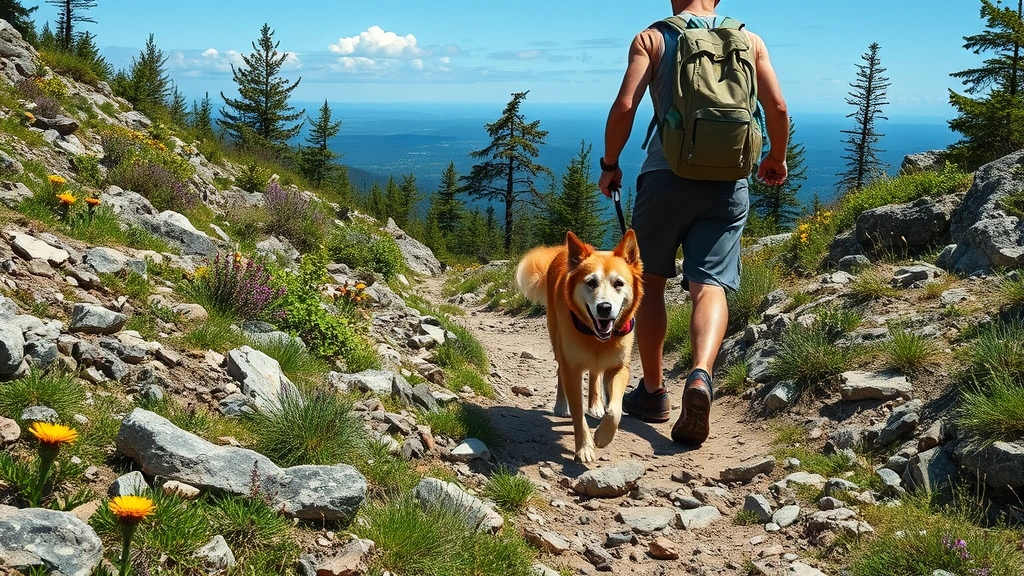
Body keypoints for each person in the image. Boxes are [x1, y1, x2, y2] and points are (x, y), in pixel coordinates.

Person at [597, 0, 790, 445]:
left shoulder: (652, 38)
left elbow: (625, 106)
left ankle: (652, 392)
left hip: (665, 178)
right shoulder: (750, 40)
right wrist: (776, 158)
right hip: (727, 184)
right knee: (710, 285)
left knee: (649, 283)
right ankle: (701, 374)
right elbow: (778, 108)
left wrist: (610, 163)